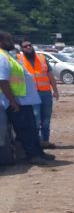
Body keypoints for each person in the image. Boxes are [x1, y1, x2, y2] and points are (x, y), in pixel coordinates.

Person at [0, 30, 54, 165]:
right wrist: (12, 101)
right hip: (15, 101)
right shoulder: (1, 57)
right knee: (25, 130)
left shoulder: (7, 55)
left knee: (31, 129)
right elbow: (2, 80)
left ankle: (39, 152)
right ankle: (33, 155)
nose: (10, 42)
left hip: (23, 100)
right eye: (8, 39)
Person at [17, 39, 59, 148]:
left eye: (29, 45)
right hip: (31, 94)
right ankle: (37, 141)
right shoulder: (19, 59)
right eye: (25, 46)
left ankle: (45, 141)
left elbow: (50, 76)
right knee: (35, 118)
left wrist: (55, 90)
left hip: (45, 93)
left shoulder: (41, 58)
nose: (28, 48)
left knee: (46, 118)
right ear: (22, 48)